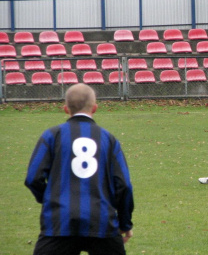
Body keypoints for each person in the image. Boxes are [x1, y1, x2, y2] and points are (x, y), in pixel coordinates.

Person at [25, 83, 134, 255]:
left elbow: (33, 178)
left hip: (60, 223)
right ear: (95, 108)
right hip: (102, 222)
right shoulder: (108, 139)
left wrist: (50, 198)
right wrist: (125, 223)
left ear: (66, 109)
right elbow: (124, 185)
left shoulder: (51, 136)